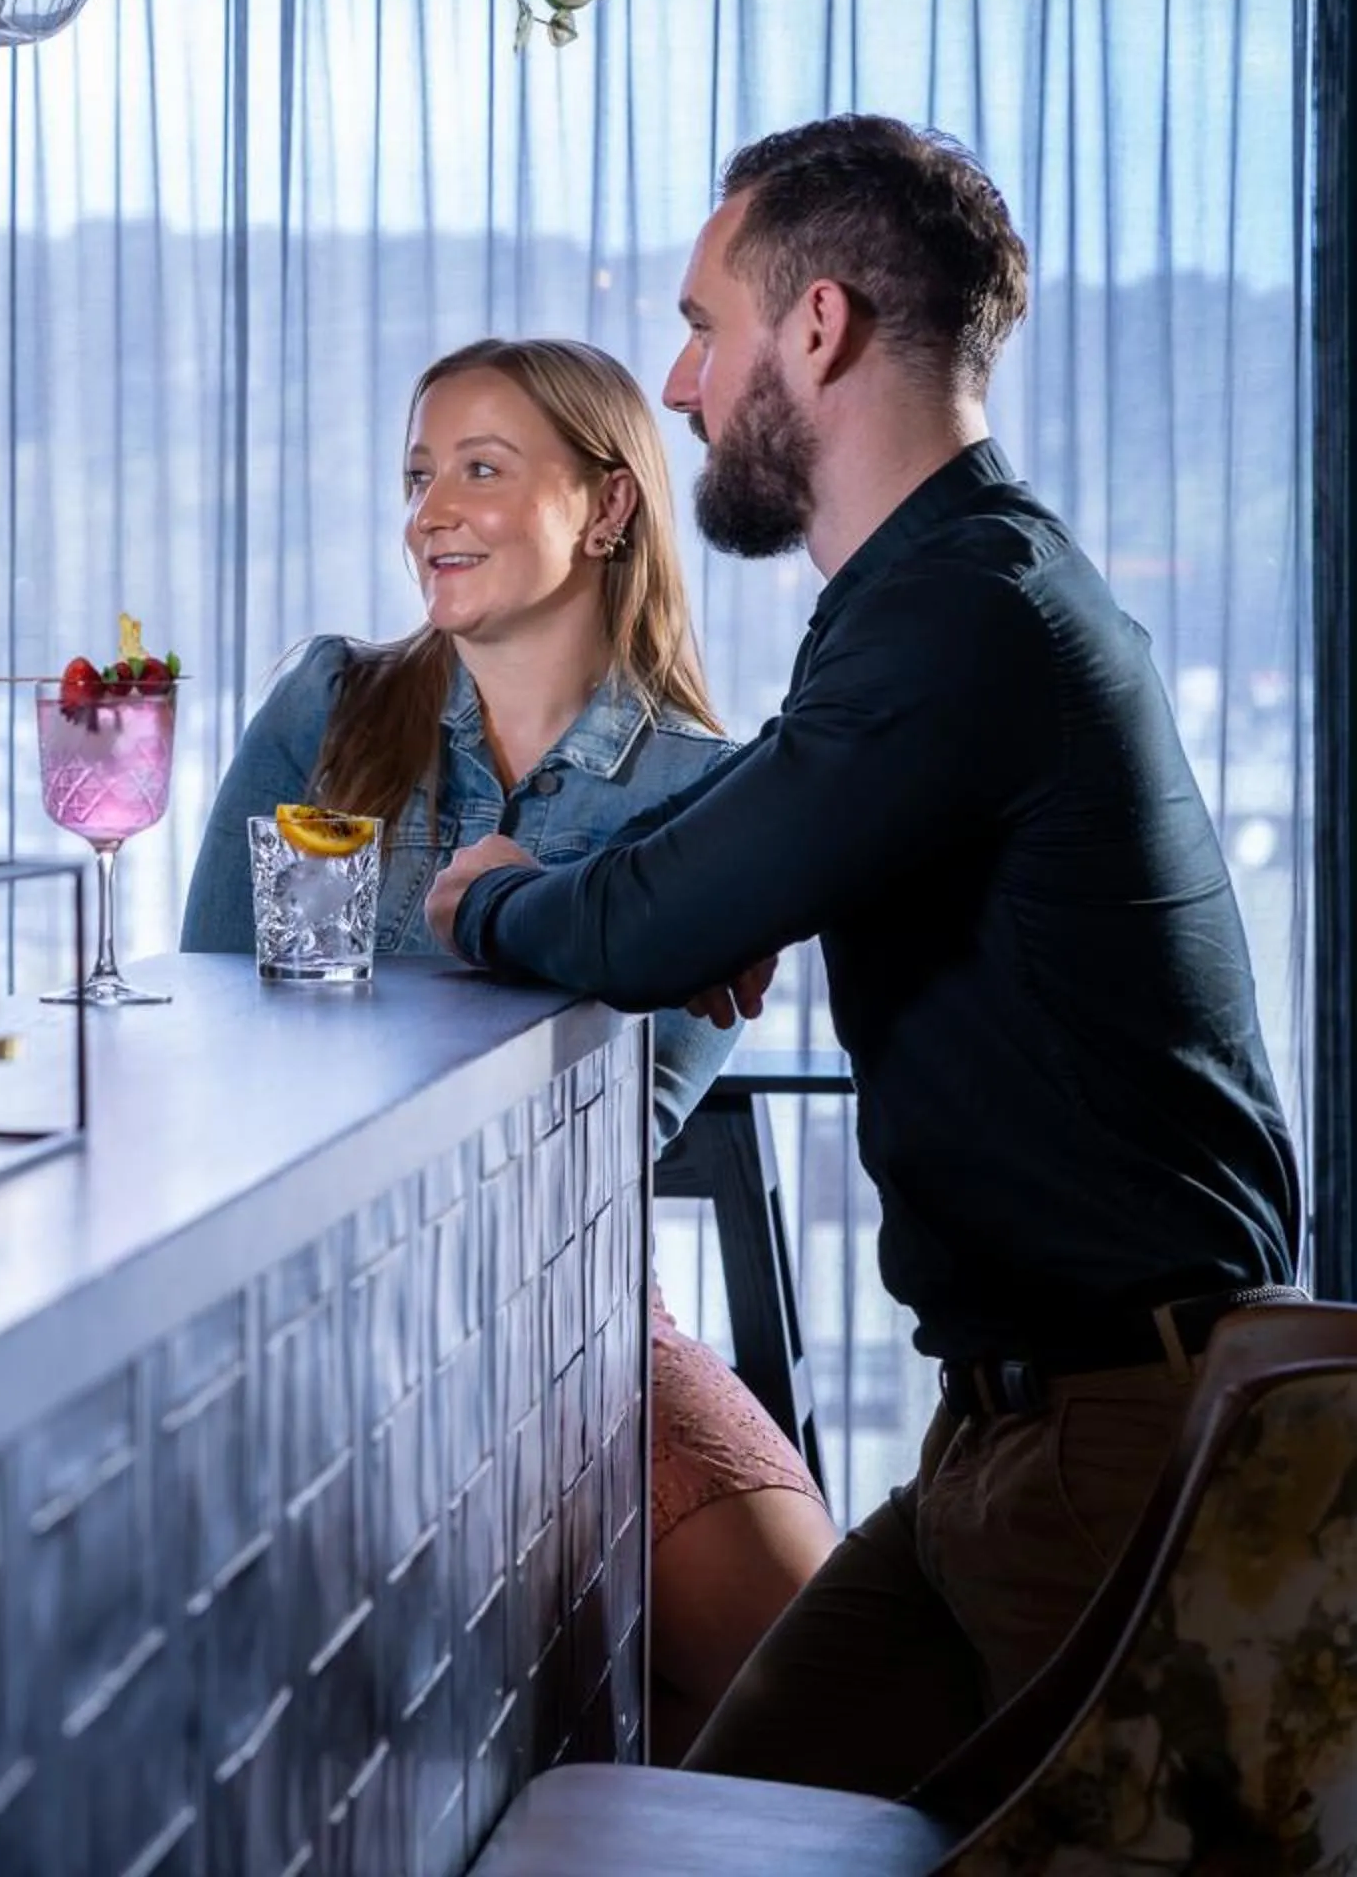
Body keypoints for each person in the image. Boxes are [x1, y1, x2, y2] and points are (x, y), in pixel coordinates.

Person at [428, 117, 1302, 1797]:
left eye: (705, 328)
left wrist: (487, 898)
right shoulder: (936, 592)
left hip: (1110, 1441)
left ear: (816, 329)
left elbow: (647, 921)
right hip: (1007, 1427)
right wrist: (695, 896)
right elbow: (752, 822)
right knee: (741, 1812)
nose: (680, 385)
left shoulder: (969, 610)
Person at [182, 337, 838, 1760]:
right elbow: (211, 1017)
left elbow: (620, 1119)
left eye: (479, 469)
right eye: (419, 474)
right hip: (319, 1331)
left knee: (827, 1685)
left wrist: (507, 921)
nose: (429, 511)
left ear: (608, 507)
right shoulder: (325, 707)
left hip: (570, 1325)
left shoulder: (718, 793)